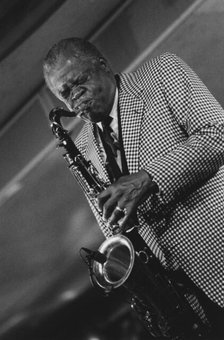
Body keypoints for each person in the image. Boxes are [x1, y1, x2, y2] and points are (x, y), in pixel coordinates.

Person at [43, 37, 224, 337]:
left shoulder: (162, 73)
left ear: (102, 64)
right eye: (65, 93)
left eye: (80, 81)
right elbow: (112, 229)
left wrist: (149, 178)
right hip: (183, 301)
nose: (76, 96)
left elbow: (217, 135)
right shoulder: (82, 146)